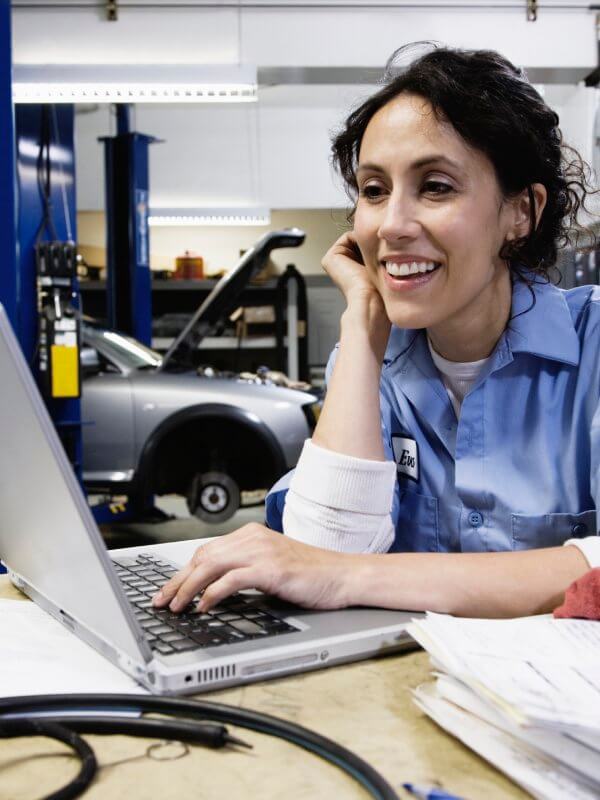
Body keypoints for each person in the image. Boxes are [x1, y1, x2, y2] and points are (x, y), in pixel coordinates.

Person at [154, 43, 600, 620]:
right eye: (373, 190)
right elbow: (319, 555)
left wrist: (352, 576)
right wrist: (363, 323)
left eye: (436, 186)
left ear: (520, 213)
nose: (391, 225)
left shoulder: (591, 347)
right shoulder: (368, 362)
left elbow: (329, 572)